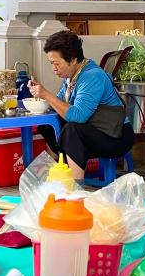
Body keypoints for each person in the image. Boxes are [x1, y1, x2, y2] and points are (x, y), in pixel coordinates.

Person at [29, 30, 134, 181]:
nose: (54, 68)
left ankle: (75, 186)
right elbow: (58, 104)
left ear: (72, 60)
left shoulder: (92, 76)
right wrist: (40, 95)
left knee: (73, 130)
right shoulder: (71, 77)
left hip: (116, 136)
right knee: (48, 126)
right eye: (52, 63)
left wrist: (46, 94)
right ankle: (54, 176)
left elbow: (78, 116)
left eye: (56, 63)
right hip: (94, 129)